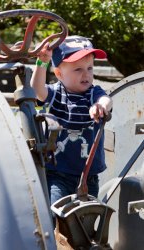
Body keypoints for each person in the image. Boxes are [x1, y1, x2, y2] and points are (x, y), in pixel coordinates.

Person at [31, 35, 112, 207]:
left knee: (85, 219)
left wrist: (100, 106)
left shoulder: (93, 93)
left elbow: (106, 99)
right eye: (78, 70)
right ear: (59, 73)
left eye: (90, 68)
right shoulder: (56, 93)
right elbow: (37, 90)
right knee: (56, 212)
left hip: (88, 176)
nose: (86, 75)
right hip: (58, 174)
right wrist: (41, 64)